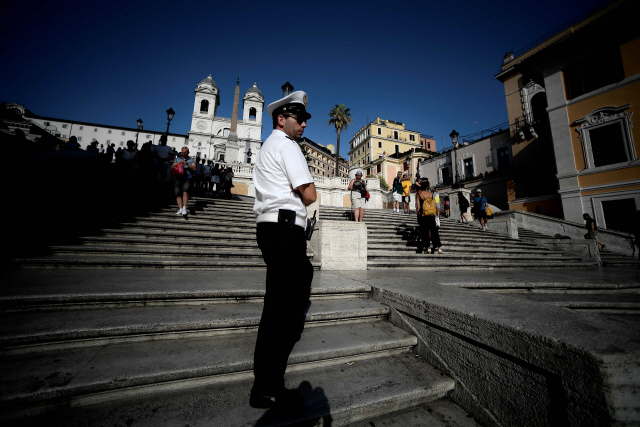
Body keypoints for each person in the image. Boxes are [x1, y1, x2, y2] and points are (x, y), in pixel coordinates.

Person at [250, 90, 316, 409]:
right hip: (284, 228)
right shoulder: (287, 146)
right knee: (284, 308)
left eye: (305, 119)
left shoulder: (267, 146)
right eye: (299, 119)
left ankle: (268, 382)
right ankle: (267, 384)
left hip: (272, 227)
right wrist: (303, 190)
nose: (303, 124)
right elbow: (311, 193)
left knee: (279, 303)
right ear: (281, 119)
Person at [416, 180, 443, 254]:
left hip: (423, 214)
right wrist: (436, 215)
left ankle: (428, 248)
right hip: (431, 215)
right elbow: (435, 206)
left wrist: (418, 217)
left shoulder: (419, 194)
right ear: (427, 186)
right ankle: (439, 248)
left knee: (425, 232)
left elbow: (418, 207)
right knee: (434, 231)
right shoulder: (431, 194)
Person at [171, 146, 196, 215]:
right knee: (177, 193)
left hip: (187, 178)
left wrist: (186, 163)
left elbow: (194, 169)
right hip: (178, 178)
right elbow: (171, 168)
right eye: (182, 152)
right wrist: (175, 164)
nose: (183, 154)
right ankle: (180, 208)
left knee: (185, 192)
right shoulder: (177, 159)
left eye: (185, 153)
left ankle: (184, 208)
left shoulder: (192, 160)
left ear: (188, 153)